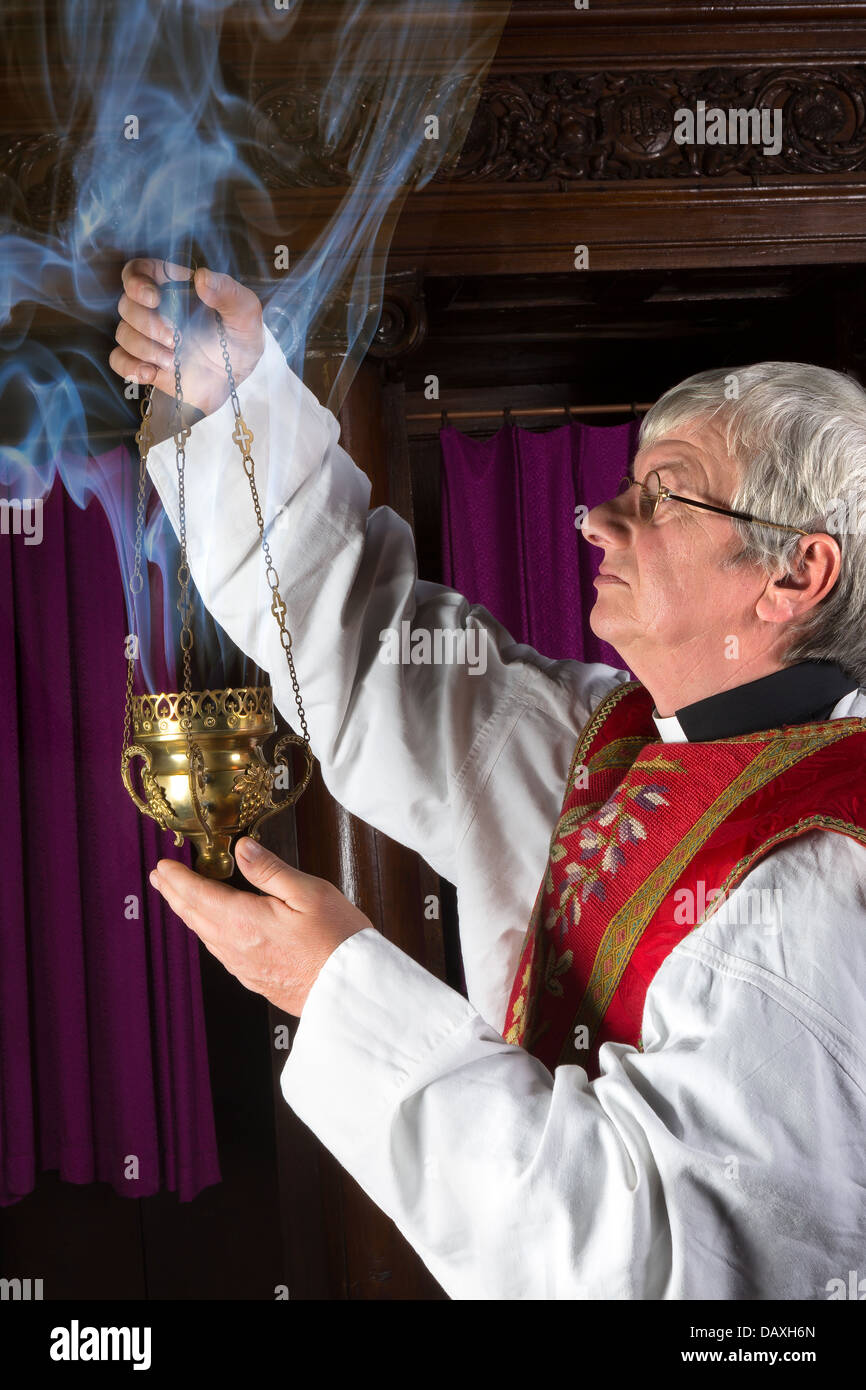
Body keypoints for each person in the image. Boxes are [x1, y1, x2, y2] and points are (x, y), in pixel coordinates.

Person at [110, 259, 866, 1301]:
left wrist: (334, 989)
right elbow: (367, 646)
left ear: (794, 574)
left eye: (662, 497)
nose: (598, 521)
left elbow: (656, 1273)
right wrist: (234, 405)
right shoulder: (606, 740)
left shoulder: (826, 867)